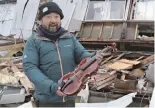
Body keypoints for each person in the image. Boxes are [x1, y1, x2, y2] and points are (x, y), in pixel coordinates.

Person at [23, 2, 105, 107]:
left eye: (56, 16)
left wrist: (93, 58)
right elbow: (30, 68)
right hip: (47, 100)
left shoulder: (68, 37)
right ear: (40, 20)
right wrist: (52, 87)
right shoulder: (33, 41)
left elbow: (81, 54)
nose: (53, 20)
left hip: (69, 97)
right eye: (48, 17)